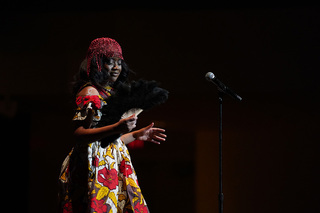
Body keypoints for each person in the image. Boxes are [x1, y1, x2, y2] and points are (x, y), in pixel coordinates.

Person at [58, 37, 167, 213]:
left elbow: (109, 143)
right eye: (110, 62)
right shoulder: (90, 91)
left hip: (110, 165)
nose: (117, 67)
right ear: (97, 64)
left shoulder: (109, 93)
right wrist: (117, 128)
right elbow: (78, 134)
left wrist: (137, 135)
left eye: (119, 62)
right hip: (92, 166)